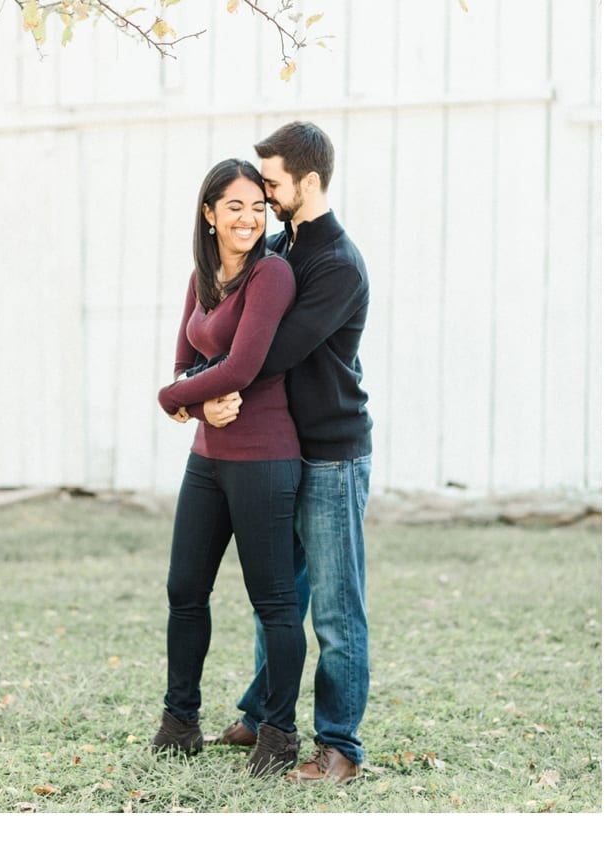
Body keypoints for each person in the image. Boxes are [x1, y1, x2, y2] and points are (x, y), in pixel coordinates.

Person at [203, 122, 373, 784]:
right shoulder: (280, 248)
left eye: (271, 183)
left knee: (335, 605)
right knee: (277, 593)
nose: (263, 193)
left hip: (331, 453)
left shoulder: (336, 265)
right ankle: (261, 709)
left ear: (308, 180)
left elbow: (267, 353)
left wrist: (201, 390)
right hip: (280, 450)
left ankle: (340, 748)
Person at [152, 159, 306, 778]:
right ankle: (179, 721)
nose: (248, 218)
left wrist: (176, 399)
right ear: (209, 214)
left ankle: (280, 733)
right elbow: (186, 361)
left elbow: (240, 368)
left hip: (264, 458)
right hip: (208, 463)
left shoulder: (272, 275)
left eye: (257, 207)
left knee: (273, 603)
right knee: (184, 591)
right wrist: (193, 397)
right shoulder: (203, 275)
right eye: (234, 207)